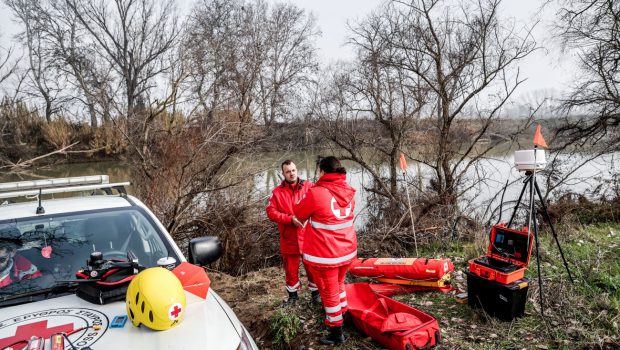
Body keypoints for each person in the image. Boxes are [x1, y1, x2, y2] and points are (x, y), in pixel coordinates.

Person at [293, 156, 356, 345]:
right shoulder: (349, 191)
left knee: (329, 293)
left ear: (322, 172)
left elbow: (298, 212)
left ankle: (336, 332)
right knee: (339, 285)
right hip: (347, 250)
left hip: (327, 254)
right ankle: (344, 315)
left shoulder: (317, 192)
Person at [266, 160, 320, 305]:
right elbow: (271, 212)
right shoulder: (277, 193)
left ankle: (316, 295)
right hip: (289, 237)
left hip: (308, 236)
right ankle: (293, 297)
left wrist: (309, 217)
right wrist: (290, 219)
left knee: (312, 267)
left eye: (293, 170)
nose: (292, 174)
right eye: (288, 172)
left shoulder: (309, 187)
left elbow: (320, 204)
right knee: (290, 270)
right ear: (283, 174)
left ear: (297, 170)